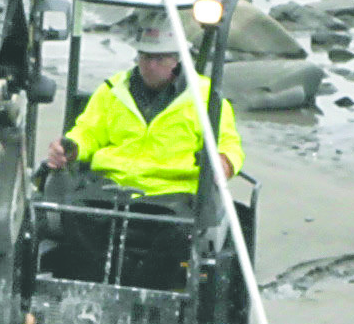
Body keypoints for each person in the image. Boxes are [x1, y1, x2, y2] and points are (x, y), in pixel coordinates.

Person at [49, 35, 242, 201]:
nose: (150, 66)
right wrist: (70, 148)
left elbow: (228, 143)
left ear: (178, 61)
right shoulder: (112, 90)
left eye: (159, 59)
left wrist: (225, 162)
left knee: (176, 236)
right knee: (73, 217)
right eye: (145, 57)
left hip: (173, 194)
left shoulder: (207, 98)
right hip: (109, 186)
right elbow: (88, 132)